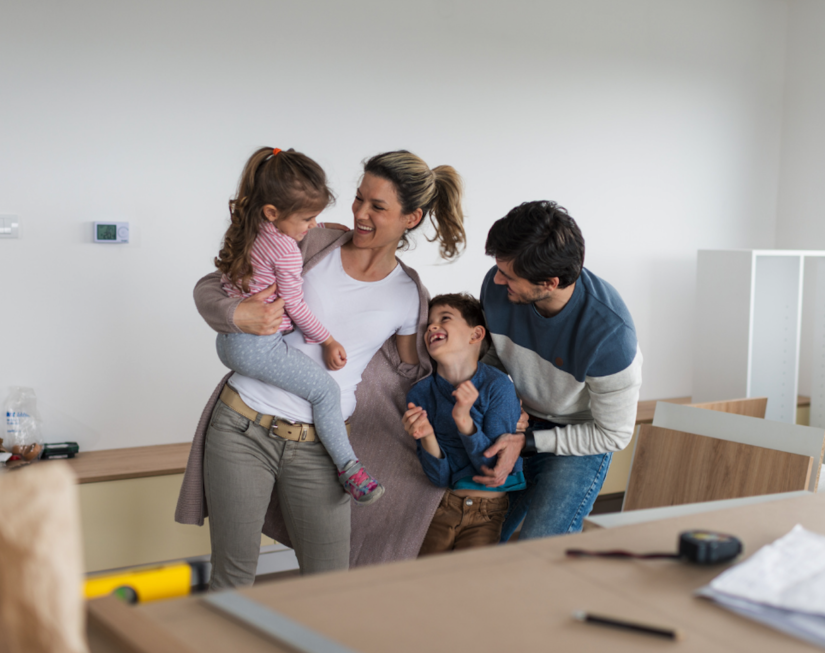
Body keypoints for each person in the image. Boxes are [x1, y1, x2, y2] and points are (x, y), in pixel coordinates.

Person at [175, 150, 467, 589]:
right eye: (358, 198)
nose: (359, 214)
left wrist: (477, 391)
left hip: (321, 447)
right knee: (232, 578)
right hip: (241, 426)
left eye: (377, 206)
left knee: (330, 586)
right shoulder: (311, 243)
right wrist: (239, 316)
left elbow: (411, 375)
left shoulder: (409, 295)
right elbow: (209, 288)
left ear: (411, 218)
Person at [214, 146, 381, 504]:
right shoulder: (287, 250)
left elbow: (285, 228)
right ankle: (350, 469)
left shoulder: (251, 222)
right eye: (307, 220)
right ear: (274, 212)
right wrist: (327, 340)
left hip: (230, 338)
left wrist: (319, 226)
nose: (309, 227)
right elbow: (295, 304)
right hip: (255, 345)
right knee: (326, 393)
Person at [473, 200, 642, 541]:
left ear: (549, 282)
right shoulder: (497, 287)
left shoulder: (610, 335)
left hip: (582, 433)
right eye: (498, 268)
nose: (497, 279)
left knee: (540, 548)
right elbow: (492, 361)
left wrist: (528, 443)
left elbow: (615, 435)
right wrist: (496, 406)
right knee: (476, 537)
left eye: (509, 275)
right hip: (521, 421)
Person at [402, 293, 524, 555]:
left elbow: (493, 469)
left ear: (476, 335)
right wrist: (428, 437)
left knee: (469, 588)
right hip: (442, 506)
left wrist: (464, 420)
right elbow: (440, 477)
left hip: (487, 513)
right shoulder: (420, 394)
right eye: (428, 324)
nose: (432, 326)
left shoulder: (498, 386)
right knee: (424, 585)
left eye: (444, 319)